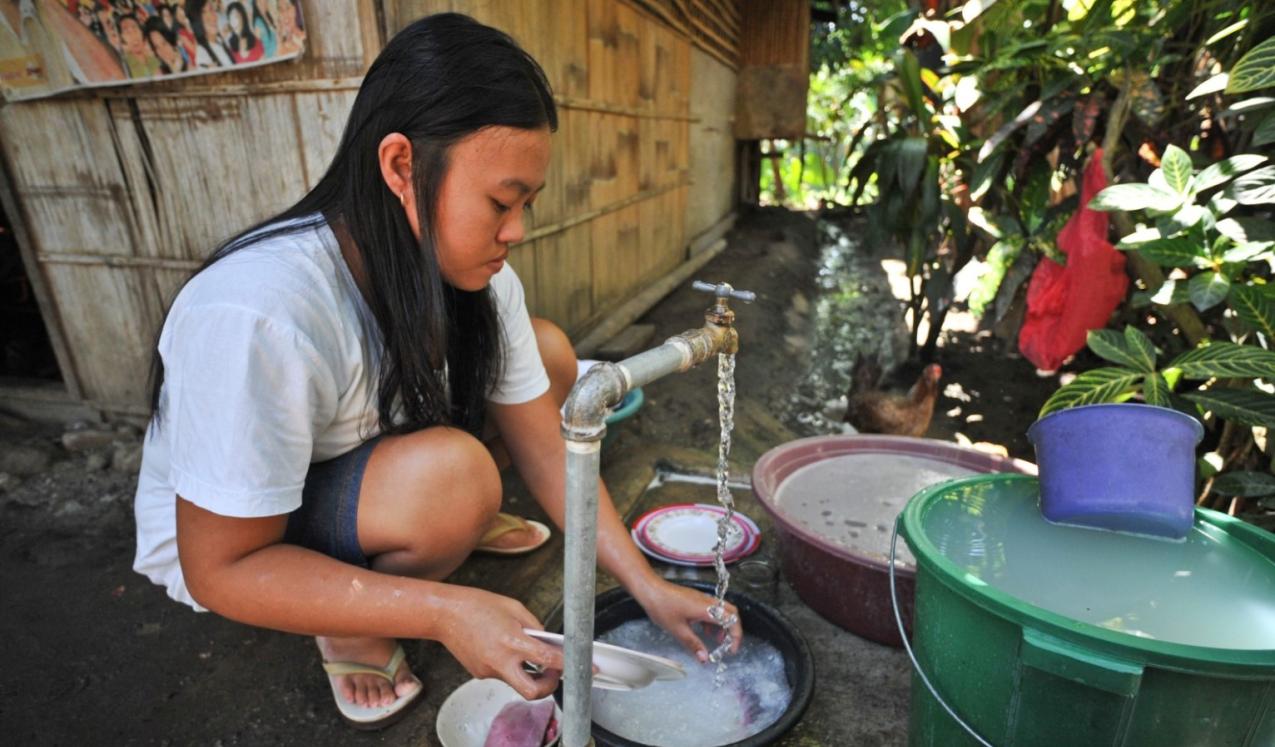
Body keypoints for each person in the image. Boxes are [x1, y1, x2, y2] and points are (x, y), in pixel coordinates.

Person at [132, 12, 741, 731]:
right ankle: (354, 616)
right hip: (247, 535)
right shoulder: (257, 314)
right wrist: (445, 611)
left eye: (524, 205)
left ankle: (427, 527)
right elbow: (219, 567)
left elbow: (548, 445)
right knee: (457, 480)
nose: (516, 230)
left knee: (548, 356)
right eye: (499, 202)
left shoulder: (473, 278)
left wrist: (644, 584)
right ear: (400, 166)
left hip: (351, 460)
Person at [185, 0, 230, 67]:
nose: (212, 17)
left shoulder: (221, 40)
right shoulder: (203, 58)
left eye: (211, 9)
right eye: (203, 13)